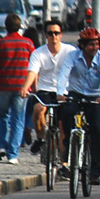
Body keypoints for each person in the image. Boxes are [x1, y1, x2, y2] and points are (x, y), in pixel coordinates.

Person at [56, 27, 100, 185]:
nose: (94, 48)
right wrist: (60, 92)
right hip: (76, 93)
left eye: (96, 44)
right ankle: (68, 142)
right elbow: (64, 74)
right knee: (66, 111)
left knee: (96, 128)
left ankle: (95, 171)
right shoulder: (72, 56)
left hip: (96, 96)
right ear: (82, 45)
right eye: (90, 45)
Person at [21, 19, 76, 159]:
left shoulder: (70, 51)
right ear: (45, 35)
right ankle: (40, 137)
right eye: (50, 33)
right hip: (45, 89)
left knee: (63, 128)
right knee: (38, 109)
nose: (54, 37)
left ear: (61, 34)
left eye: (56, 33)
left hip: (64, 92)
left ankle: (64, 162)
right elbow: (32, 72)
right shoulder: (38, 53)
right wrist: (25, 87)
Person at [0, 13, 34, 164]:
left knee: (2, 115)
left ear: (6, 26)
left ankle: (1, 146)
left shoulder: (0, 44)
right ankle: (13, 154)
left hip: (4, 85)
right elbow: (33, 66)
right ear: (20, 26)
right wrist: (33, 85)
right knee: (18, 119)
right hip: (22, 87)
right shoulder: (28, 44)